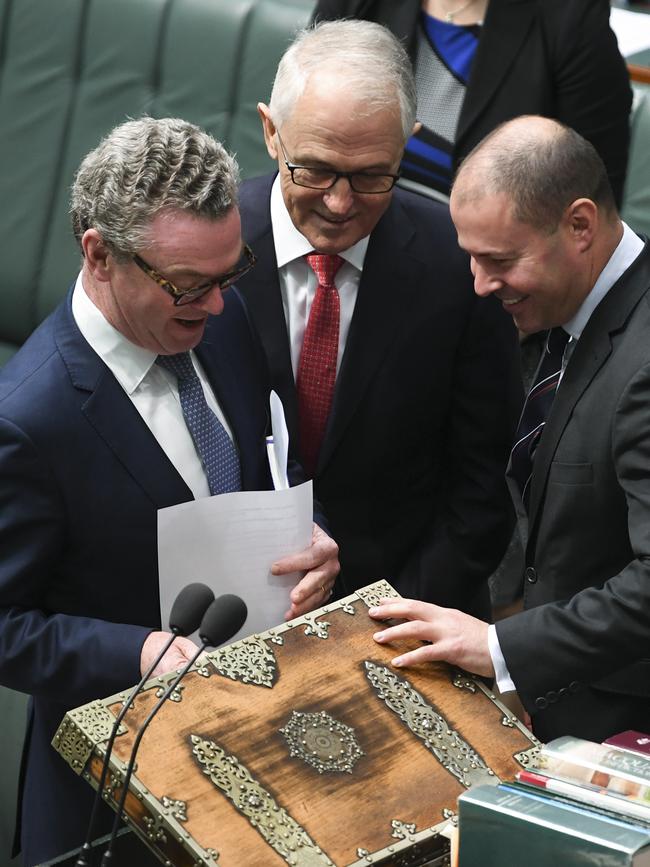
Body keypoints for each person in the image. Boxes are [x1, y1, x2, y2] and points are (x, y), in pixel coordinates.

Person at [0, 117, 339, 866]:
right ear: (99, 255)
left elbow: (267, 463)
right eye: (188, 286)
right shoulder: (26, 420)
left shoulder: (218, 319)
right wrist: (138, 649)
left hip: (261, 754)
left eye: (230, 274)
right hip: (114, 800)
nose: (216, 305)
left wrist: (308, 535)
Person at [368, 115, 650, 745]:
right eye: (470, 257)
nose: (480, 284)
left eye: (499, 260)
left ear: (580, 225)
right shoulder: (570, 312)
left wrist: (501, 648)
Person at [236, 20, 521, 619]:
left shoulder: (458, 267)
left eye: (371, 176)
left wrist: (390, 616)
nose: (340, 204)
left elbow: (482, 486)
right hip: (230, 608)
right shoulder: (210, 247)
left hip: (401, 609)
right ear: (270, 132)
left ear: (407, 144)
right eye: (313, 170)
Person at [311, 0, 633, 206]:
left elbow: (593, 195)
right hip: (350, 218)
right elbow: (304, 119)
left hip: (481, 266)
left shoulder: (571, 18)